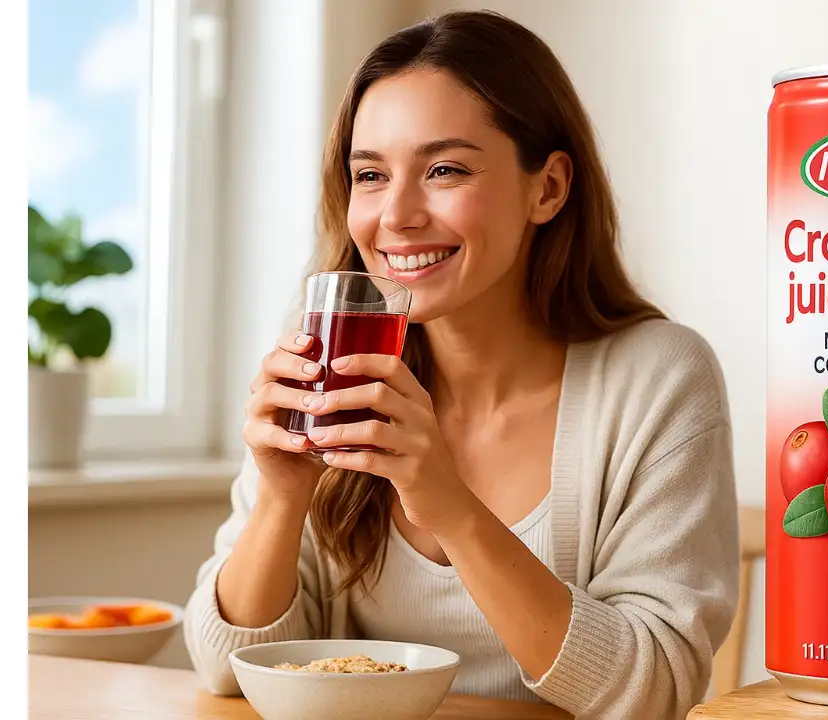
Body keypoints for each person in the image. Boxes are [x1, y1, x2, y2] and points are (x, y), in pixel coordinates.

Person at [184, 9, 739, 719]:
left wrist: (449, 507)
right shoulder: (334, 362)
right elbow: (226, 671)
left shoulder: (658, 378)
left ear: (549, 188)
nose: (398, 215)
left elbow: (654, 689)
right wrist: (282, 497)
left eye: (445, 169)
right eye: (371, 174)